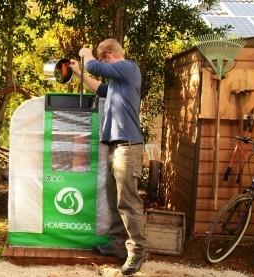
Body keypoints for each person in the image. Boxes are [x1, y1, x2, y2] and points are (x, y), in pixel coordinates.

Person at [69, 38, 146, 275]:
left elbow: (96, 67)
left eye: (102, 59)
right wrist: (79, 73)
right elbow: (100, 89)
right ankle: (117, 245)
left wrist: (86, 54)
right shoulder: (116, 83)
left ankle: (137, 251)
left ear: (109, 56)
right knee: (115, 199)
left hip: (128, 147)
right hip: (116, 148)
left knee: (128, 201)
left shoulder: (128, 67)